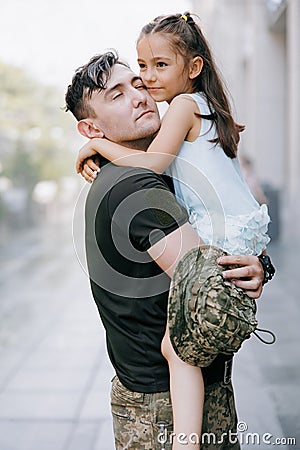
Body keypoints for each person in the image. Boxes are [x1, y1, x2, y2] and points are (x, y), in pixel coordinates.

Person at [74, 13, 271, 449]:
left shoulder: (157, 164)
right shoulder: (136, 186)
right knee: (175, 347)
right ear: (90, 127)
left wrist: (260, 267)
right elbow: (207, 280)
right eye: (118, 94)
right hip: (160, 405)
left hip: (169, 396)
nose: (141, 92)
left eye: (141, 80)